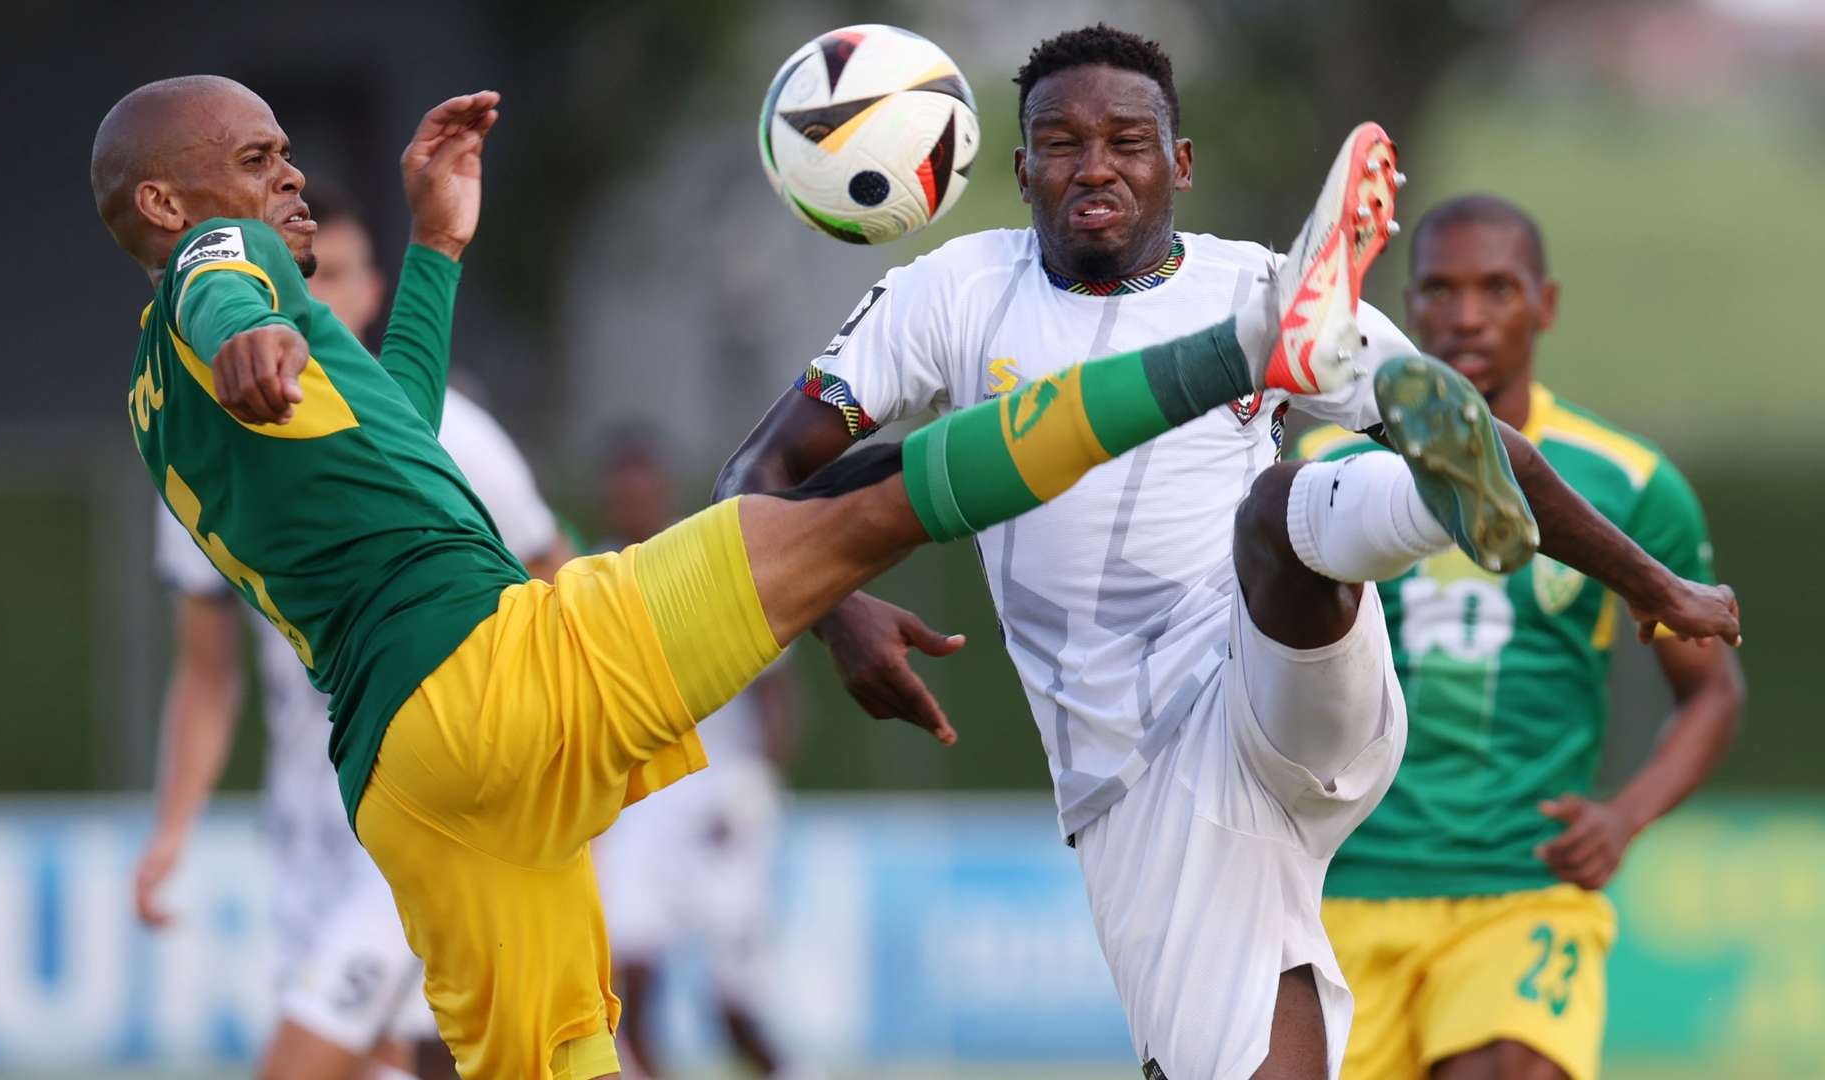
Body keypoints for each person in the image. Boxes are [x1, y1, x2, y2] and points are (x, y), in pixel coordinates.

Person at [94, 69, 1736, 1079]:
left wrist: (437, 246)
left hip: (412, 788)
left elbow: (394, 434)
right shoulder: (219, 283)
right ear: (165, 202)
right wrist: (246, 324)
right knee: (848, 519)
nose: (283, 177)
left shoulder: (156, 407)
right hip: (495, 669)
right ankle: (1250, 339)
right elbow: (229, 289)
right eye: (253, 157)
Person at [714, 25, 1739, 1080]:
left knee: (1282, 513)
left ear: (1181, 163)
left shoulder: (1261, 289)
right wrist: (837, 608)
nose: (1095, 165)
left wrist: (1657, 585)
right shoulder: (953, 293)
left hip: (1276, 673)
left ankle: (1430, 503)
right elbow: (757, 478)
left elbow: (1490, 438)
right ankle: (1417, 495)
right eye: (1061, 142)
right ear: (1020, 169)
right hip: (1133, 771)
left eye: (1128, 139)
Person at [1299, 194, 1744, 1080]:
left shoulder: (1628, 483)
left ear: (1544, 305)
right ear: (1407, 305)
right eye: (1440, 289)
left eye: (1496, 288)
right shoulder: (1329, 472)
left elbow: (1712, 693)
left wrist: (1625, 816)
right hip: (1344, 888)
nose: (1466, 315)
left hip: (1524, 886)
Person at [129, 191, 571, 1080]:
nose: (315, 297)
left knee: (301, 1067)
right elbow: (211, 679)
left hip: (431, 796)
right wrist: (172, 827)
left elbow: (557, 589)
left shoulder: (454, 437)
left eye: (336, 276)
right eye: (302, 276)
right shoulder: (199, 450)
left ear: (371, 293)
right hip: (309, 828)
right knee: (398, 1059)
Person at [588, 432, 807, 1080]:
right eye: (620, 493)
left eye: (642, 490)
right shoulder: (586, 577)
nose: (632, 504)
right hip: (637, 813)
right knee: (629, 990)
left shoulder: (704, 563)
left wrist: (757, 783)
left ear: (663, 494)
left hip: (718, 802)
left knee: (734, 1005)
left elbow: (776, 692)